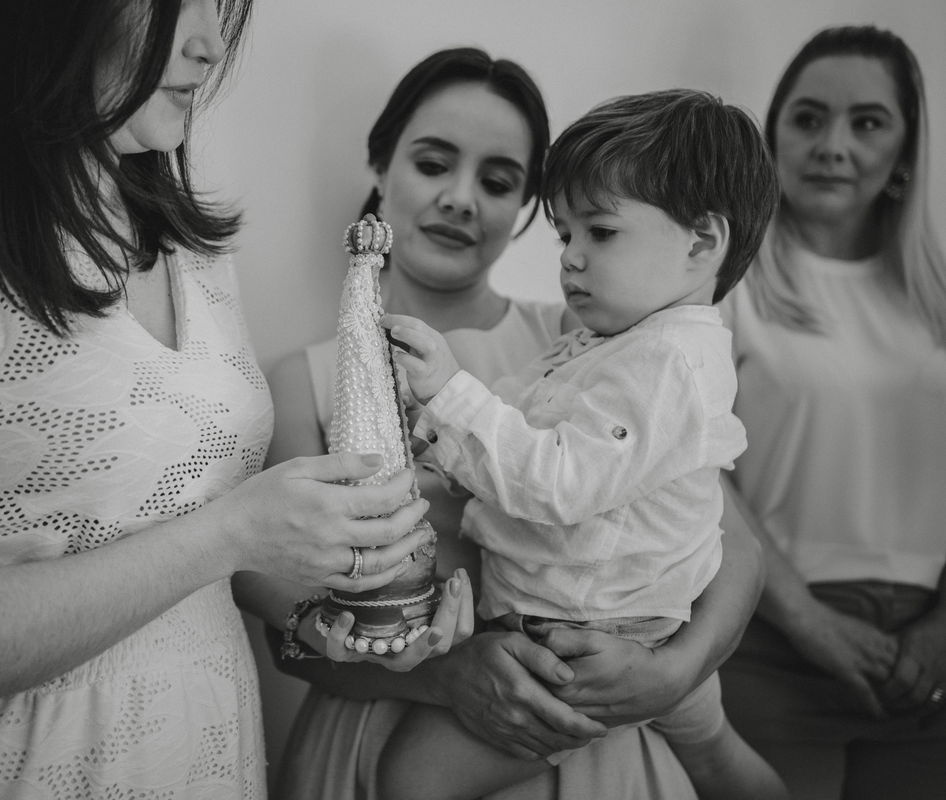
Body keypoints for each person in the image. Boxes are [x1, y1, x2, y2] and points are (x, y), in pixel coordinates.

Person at [0, 2, 439, 797]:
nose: (212, 46)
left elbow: (201, 544)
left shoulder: (182, 237)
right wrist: (236, 530)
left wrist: (324, 620)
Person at [248, 48, 767, 800]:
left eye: (498, 181)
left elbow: (730, 537)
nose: (462, 199)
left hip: (586, 726)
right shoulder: (307, 379)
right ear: (380, 164)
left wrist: (672, 674)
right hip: (386, 728)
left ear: (528, 204)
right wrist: (444, 678)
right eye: (433, 163)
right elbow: (283, 620)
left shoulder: (604, 344)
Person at [373, 89, 786, 800]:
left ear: (700, 241)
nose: (572, 259)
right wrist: (441, 430)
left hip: (586, 639)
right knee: (718, 754)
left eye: (602, 232)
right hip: (586, 624)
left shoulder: (665, 365)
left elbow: (558, 483)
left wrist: (447, 394)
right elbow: (522, 427)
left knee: (413, 776)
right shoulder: (608, 344)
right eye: (566, 235)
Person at [717, 25, 946, 800]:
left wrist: (942, 631)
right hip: (770, 637)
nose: (834, 145)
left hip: (926, 658)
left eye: (868, 122)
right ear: (775, 135)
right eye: (809, 119)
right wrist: (808, 620)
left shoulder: (939, 303)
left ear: (906, 150)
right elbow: (695, 470)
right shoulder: (724, 285)